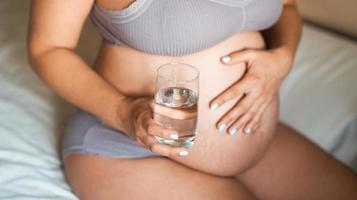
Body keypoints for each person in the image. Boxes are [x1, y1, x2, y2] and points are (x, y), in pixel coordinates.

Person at [27, 0, 357, 199]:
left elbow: (285, 7)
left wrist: (283, 57)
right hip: (128, 147)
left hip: (246, 126)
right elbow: (47, 49)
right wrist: (124, 112)